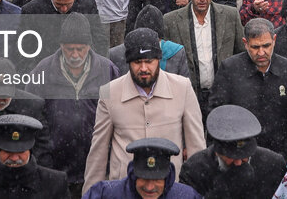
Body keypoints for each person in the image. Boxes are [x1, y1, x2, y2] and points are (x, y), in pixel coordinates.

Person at [82, 28, 206, 190]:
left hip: (169, 187)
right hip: (124, 189)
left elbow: (196, 147)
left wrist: (198, 190)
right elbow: (98, 151)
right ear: (128, 62)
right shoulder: (110, 92)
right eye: (137, 62)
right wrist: (90, 193)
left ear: (158, 60)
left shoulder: (182, 88)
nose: (144, 68)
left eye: (149, 61)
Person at [30, 13, 120, 194]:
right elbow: (34, 117)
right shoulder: (43, 72)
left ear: (89, 46)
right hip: (55, 170)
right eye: (70, 49)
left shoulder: (107, 70)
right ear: (61, 45)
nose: (75, 54)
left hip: (97, 168)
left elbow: (119, 117)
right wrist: (45, 160)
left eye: (81, 48)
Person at [207, 19, 287, 157]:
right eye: (255, 47)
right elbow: (217, 112)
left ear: (274, 40)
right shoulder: (229, 69)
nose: (261, 52)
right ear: (245, 43)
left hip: (280, 154)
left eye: (266, 46)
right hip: (239, 154)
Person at [162, 0, 245, 108]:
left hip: (222, 94)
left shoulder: (230, 16)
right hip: (187, 96)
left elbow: (241, 54)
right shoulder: (171, 21)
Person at [179, 104, 287, 198]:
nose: (238, 163)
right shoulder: (194, 170)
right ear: (217, 152)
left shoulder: (273, 164)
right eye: (232, 157)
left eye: (244, 156)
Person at [0, 114, 69, 198]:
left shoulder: (55, 183)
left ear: (30, 150)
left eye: (20, 152)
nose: (14, 158)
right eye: (8, 152)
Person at [84, 138, 201, 199]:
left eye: (156, 180)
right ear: (133, 174)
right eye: (144, 178)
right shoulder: (104, 194)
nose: (149, 187)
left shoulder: (187, 196)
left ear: (167, 177)